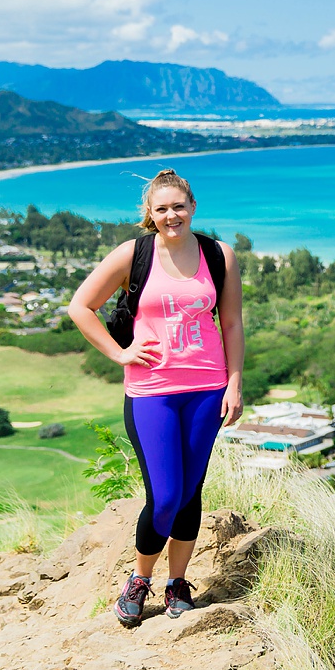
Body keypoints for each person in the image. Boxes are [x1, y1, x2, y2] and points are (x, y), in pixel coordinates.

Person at [69, 169, 244, 626]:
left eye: (179, 207)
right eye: (162, 208)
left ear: (193, 207)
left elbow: (232, 323)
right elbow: (80, 307)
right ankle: (139, 579)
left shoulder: (217, 254)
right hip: (152, 391)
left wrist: (235, 384)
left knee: (189, 493)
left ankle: (177, 583)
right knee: (164, 496)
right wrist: (119, 353)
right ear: (150, 213)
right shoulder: (134, 254)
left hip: (207, 388)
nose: (172, 215)